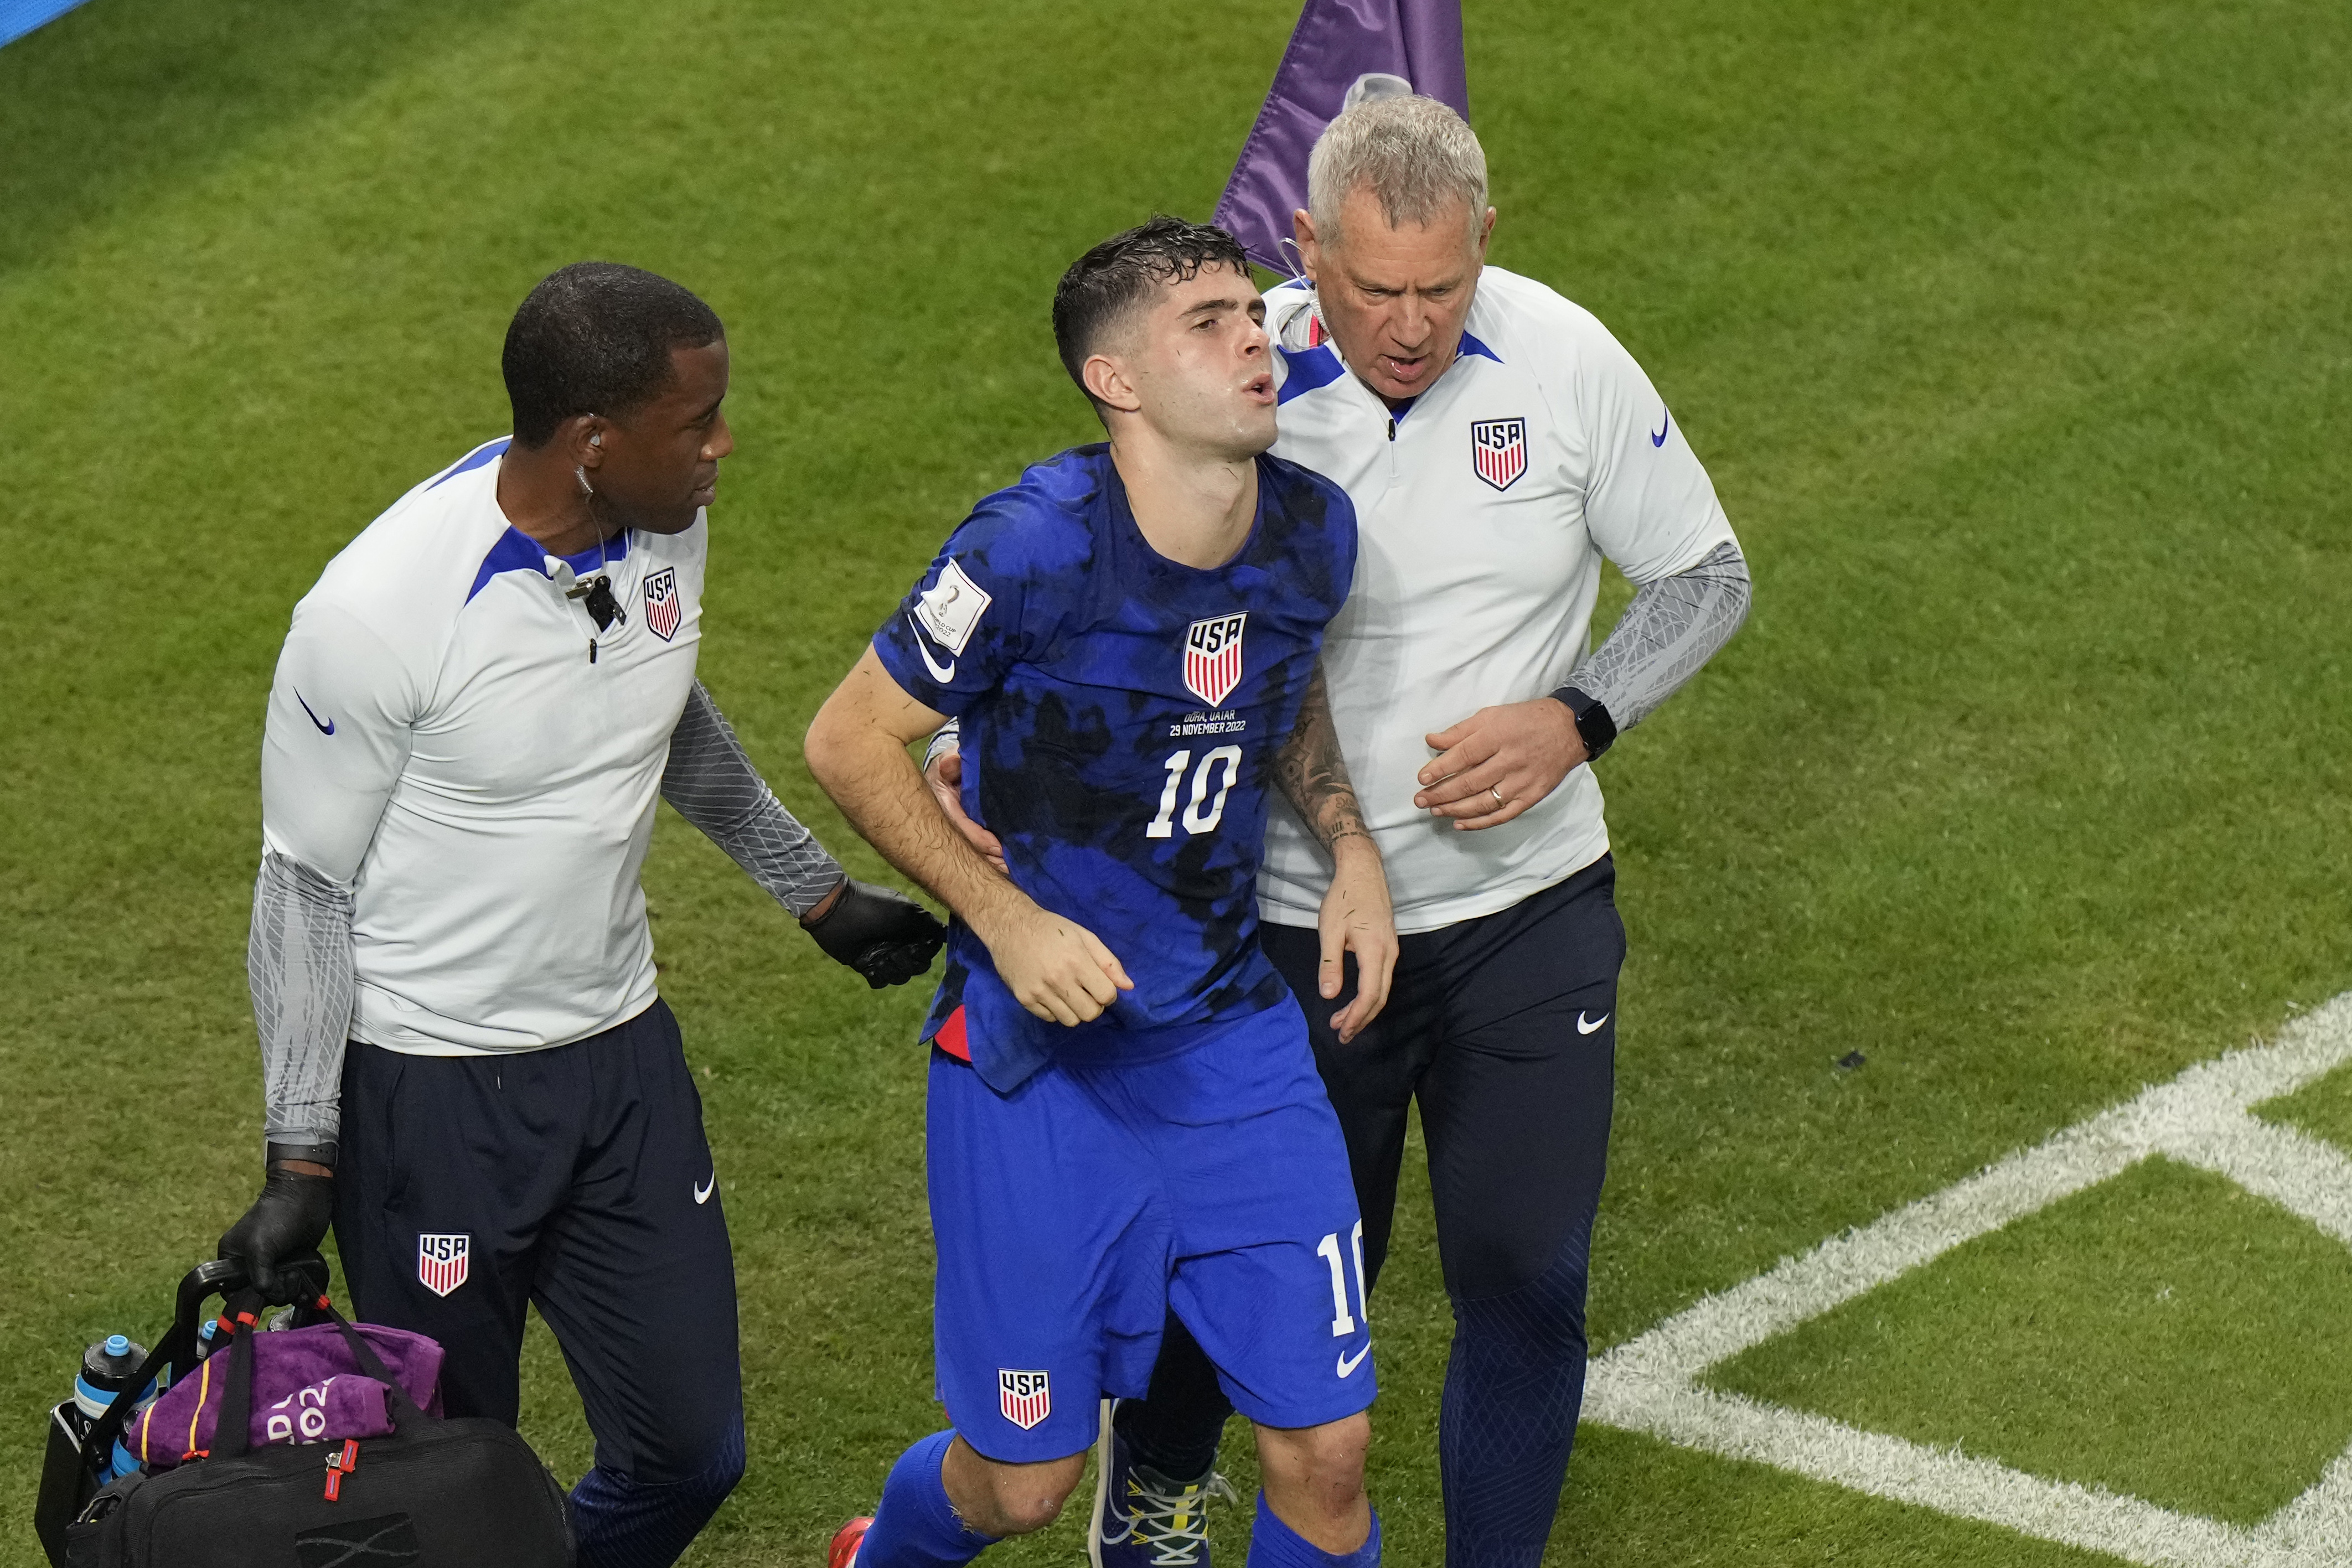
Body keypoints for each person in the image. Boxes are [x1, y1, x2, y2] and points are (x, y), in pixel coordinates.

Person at [931, 96, 1754, 1568]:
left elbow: (1704, 575)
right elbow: (1095, 591)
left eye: (1443, 287)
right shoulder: (1241, 375)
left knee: (1525, 1274)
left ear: (1484, 242)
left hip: (1527, 912)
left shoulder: (1566, 360)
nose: (1411, 324)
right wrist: (960, 737)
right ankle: (1165, 1486)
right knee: (1262, 1272)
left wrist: (1579, 715)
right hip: (1282, 929)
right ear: (1308, 248)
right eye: (1374, 288)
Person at [216, 262, 946, 1568]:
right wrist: (301, 1161)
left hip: (620, 1067)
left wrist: (816, 894)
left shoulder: (666, 517)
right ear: (593, 444)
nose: (725, 444)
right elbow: (302, 892)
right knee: (445, 1473)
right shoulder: (376, 616)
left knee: (688, 1451)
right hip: (432, 1096)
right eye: (698, 420)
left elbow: (658, 708)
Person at [803, 216, 1401, 1568]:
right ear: (1115, 381)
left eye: (1251, 311)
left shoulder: (1313, 530)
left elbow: (1277, 686)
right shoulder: (1030, 550)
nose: (1254, 336)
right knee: (1023, 1484)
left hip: (1230, 1042)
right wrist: (1006, 920)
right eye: (1208, 321)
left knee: (1328, 1447)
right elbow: (848, 737)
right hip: (1035, 1067)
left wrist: (1349, 841)